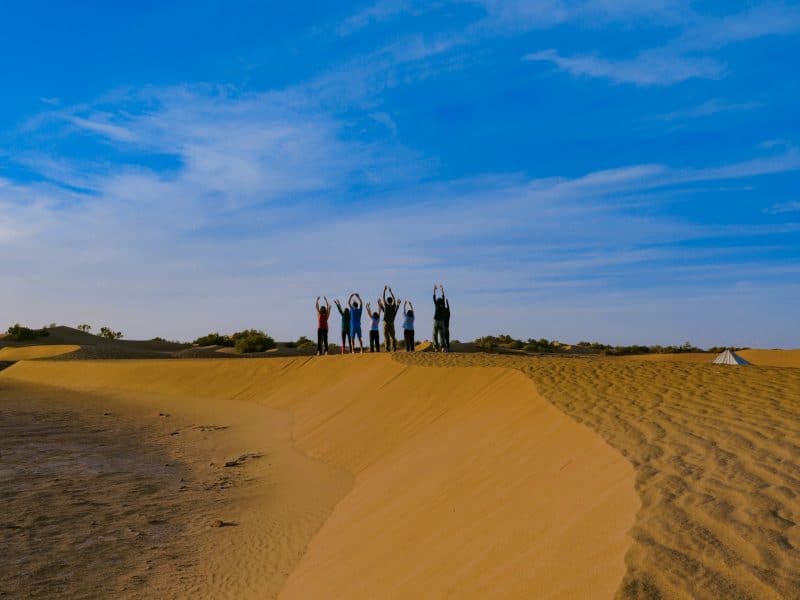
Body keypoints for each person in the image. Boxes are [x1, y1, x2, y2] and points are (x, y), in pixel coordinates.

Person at [378, 285, 400, 352]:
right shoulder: (393, 306)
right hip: (391, 323)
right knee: (392, 337)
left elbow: (383, 298)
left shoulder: (386, 306)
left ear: (387, 301)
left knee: (386, 336)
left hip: (385, 323)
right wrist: (391, 292)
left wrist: (384, 290)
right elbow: (394, 299)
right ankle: (394, 349)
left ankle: (387, 349)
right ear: (392, 301)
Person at [432, 284, 447, 352]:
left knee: (435, 334)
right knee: (442, 335)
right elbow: (443, 297)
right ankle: (443, 348)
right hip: (441, 321)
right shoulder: (443, 304)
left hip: (436, 321)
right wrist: (442, 290)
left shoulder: (437, 304)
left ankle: (436, 348)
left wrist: (434, 290)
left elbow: (434, 298)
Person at [440, 284, 451, 352]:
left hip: (443, 328)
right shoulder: (448, 315)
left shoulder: (443, 314)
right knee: (447, 339)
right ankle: (448, 349)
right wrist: (447, 303)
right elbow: (448, 309)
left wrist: (442, 291)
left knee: (443, 338)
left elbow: (443, 300)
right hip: (447, 328)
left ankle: (443, 348)